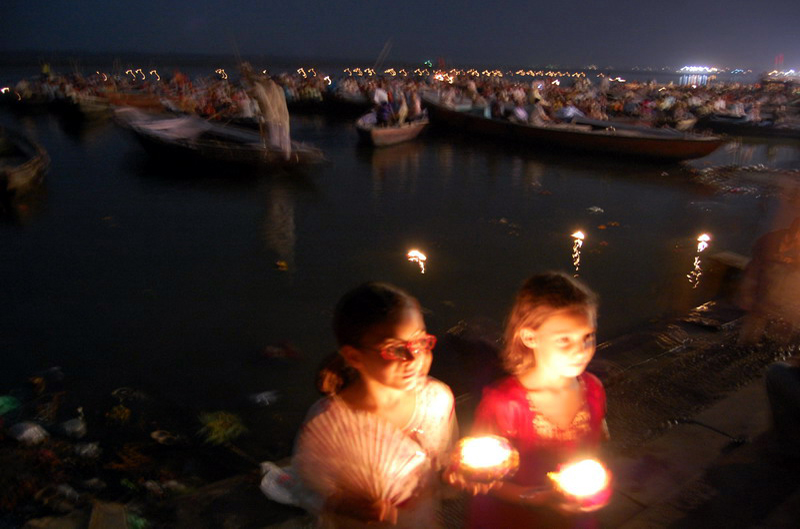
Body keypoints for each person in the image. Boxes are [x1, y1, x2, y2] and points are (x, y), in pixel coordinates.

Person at [261, 282, 456, 528]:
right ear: (354, 357)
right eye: (395, 349)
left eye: (419, 341)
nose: (413, 358)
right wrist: (340, 503)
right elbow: (310, 486)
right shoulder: (328, 424)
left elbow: (439, 469)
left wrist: (455, 476)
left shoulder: (437, 401)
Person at [459, 272, 610, 528]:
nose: (580, 351)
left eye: (588, 337)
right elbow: (481, 477)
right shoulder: (505, 403)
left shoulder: (593, 390)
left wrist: (596, 484)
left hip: (574, 518)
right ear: (530, 337)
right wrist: (534, 499)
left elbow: (595, 452)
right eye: (564, 340)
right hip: (515, 518)